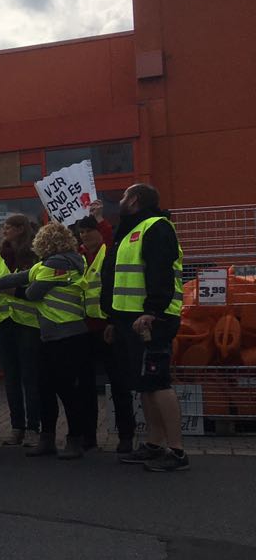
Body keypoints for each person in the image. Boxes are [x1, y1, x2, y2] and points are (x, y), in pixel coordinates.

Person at [101, 183, 189, 471]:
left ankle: (176, 451)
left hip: (153, 319)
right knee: (146, 385)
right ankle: (154, 444)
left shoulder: (156, 227)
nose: (121, 201)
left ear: (135, 199)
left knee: (158, 382)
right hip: (131, 319)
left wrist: (153, 311)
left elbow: (160, 272)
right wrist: (114, 319)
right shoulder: (130, 231)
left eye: (125, 196)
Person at [0, 223, 92, 459]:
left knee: (66, 391)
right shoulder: (48, 264)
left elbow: (32, 293)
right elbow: (19, 277)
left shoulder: (58, 263)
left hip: (66, 335)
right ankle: (47, 439)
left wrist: (5, 291)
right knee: (45, 389)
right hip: (52, 335)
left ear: (45, 242)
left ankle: (74, 441)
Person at [77, 215, 135, 453]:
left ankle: (126, 436)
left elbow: (113, 287)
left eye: (89, 230)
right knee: (85, 386)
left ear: (100, 232)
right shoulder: (78, 257)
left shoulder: (109, 252)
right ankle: (88, 436)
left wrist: (113, 320)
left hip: (108, 327)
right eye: (81, 232)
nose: (84, 235)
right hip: (84, 329)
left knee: (119, 383)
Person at [0, 214, 41, 446]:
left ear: (20, 229)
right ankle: (16, 427)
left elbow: (38, 289)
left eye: (8, 227)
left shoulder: (34, 256)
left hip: (27, 323)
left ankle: (33, 428)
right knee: (11, 378)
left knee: (30, 376)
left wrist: (14, 291)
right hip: (1, 323)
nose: (4, 230)